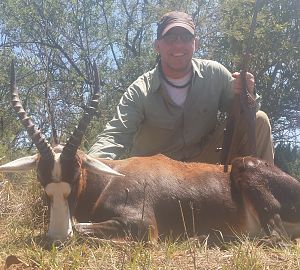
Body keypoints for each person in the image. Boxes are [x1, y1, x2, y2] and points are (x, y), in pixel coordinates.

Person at [89, 11, 274, 164]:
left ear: (196, 43)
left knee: (258, 119)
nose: (178, 44)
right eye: (170, 37)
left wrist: (247, 93)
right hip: (156, 177)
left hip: (202, 165)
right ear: (157, 46)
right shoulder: (139, 91)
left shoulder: (215, 73)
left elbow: (243, 113)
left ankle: (264, 200)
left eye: (185, 37)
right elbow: (115, 135)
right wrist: (88, 162)